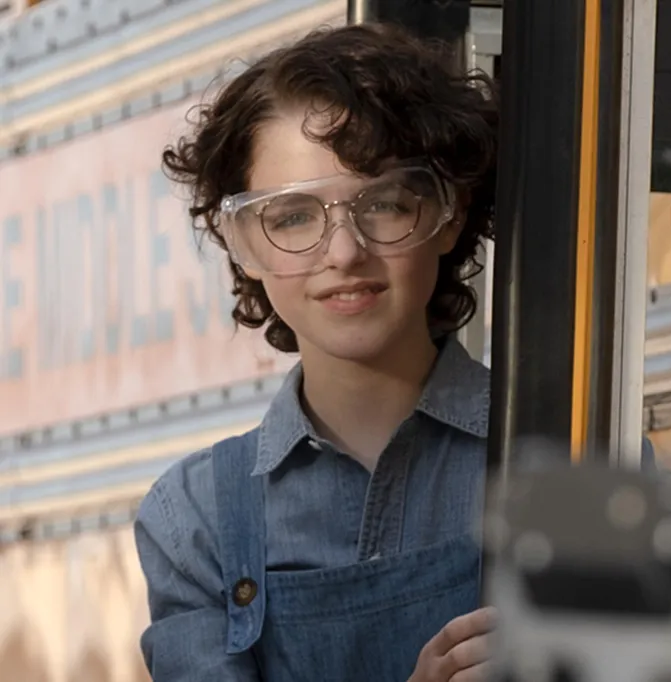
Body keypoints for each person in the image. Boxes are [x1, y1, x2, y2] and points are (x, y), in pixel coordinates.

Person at [134, 22, 498, 682]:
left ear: (448, 214)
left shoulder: (573, 451)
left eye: (383, 204)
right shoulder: (194, 519)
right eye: (292, 216)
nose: (343, 253)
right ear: (244, 244)